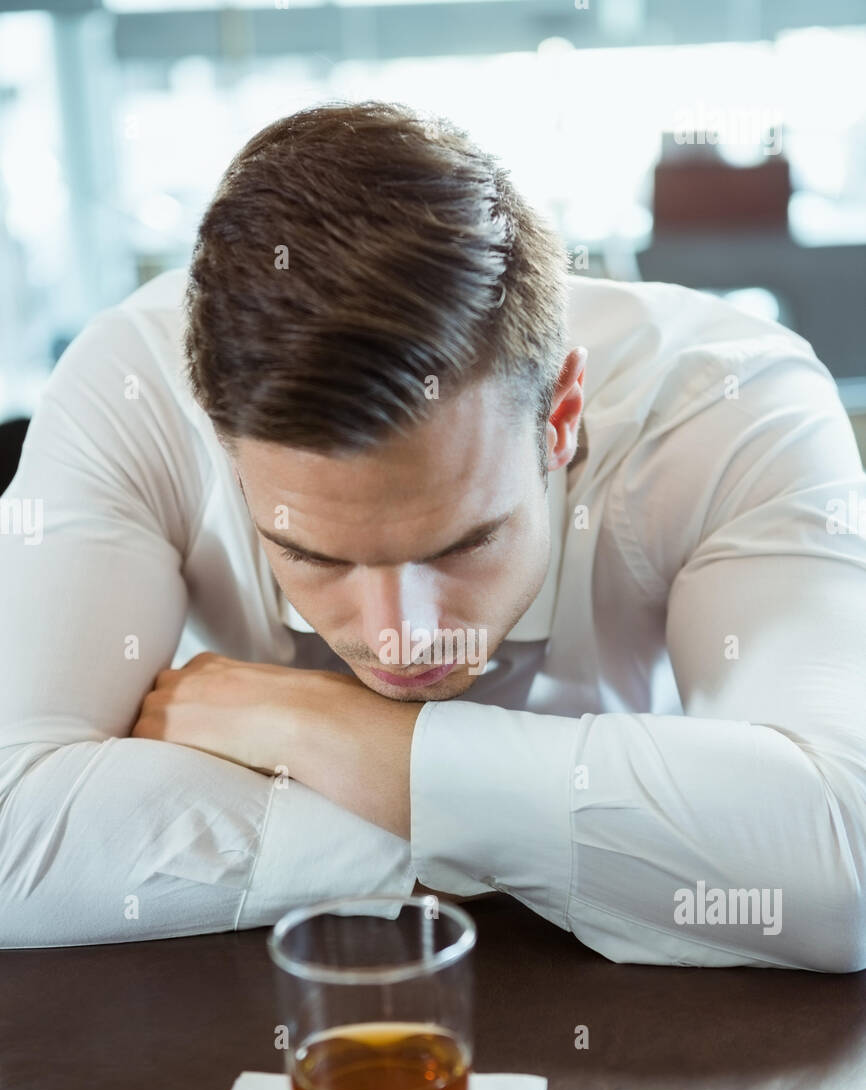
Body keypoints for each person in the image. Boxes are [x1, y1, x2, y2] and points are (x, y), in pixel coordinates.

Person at [2, 100, 865, 969]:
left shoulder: (734, 402)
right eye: (311, 553)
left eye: (462, 544)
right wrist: (565, 845)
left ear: (560, 417)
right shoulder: (135, 389)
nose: (400, 635)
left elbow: (844, 867)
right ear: (225, 452)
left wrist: (320, 730)